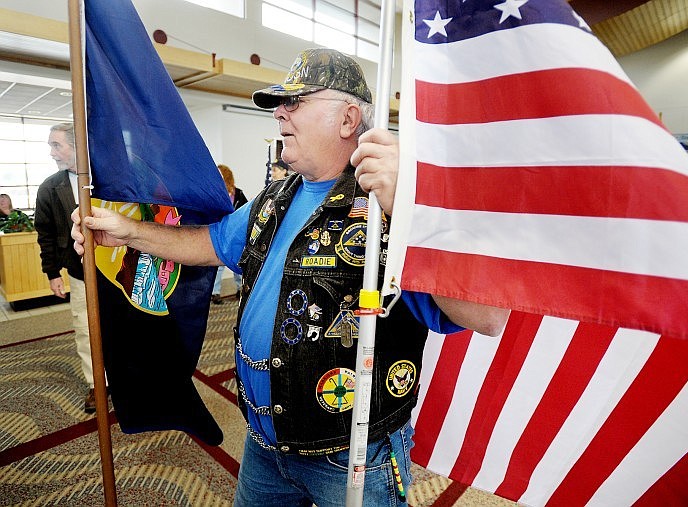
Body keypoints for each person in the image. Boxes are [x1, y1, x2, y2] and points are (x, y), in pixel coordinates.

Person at [72, 48, 507, 506]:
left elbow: (486, 315)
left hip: (351, 454)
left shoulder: (392, 206)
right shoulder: (275, 196)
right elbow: (211, 242)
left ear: (347, 119)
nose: (279, 113)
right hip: (264, 443)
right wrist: (131, 233)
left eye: (295, 103)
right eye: (280, 104)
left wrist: (415, 213)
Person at [36, 123, 97, 413]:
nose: (51, 152)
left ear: (77, 146)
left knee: (121, 327)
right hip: (78, 272)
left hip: (119, 270)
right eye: (50, 145)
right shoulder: (49, 187)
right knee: (85, 328)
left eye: (56, 145)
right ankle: (97, 385)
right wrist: (52, 273)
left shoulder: (108, 178)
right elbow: (44, 234)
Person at [212, 164, 248, 304]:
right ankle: (215, 293)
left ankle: (240, 289)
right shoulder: (215, 193)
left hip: (237, 234)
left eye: (220, 174)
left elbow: (245, 210)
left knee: (238, 263)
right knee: (219, 266)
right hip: (221, 233)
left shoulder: (238, 193)